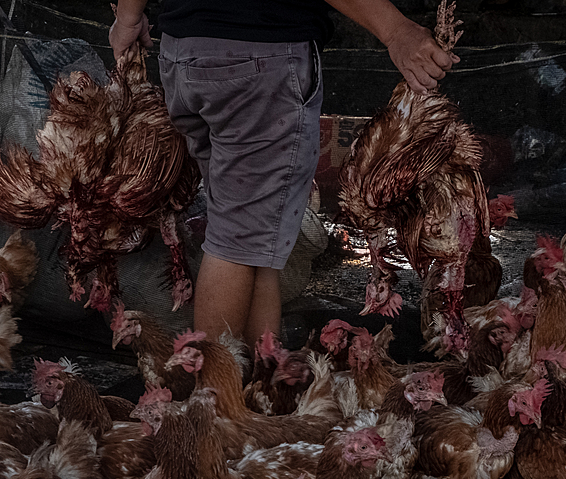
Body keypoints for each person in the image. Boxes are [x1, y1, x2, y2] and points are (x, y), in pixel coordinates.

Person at [110, 0, 459, 346]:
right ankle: (214, 391)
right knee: (237, 243)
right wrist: (396, 30)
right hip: (258, 58)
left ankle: (260, 380)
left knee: (255, 236)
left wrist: (127, 17)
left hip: (184, 55)